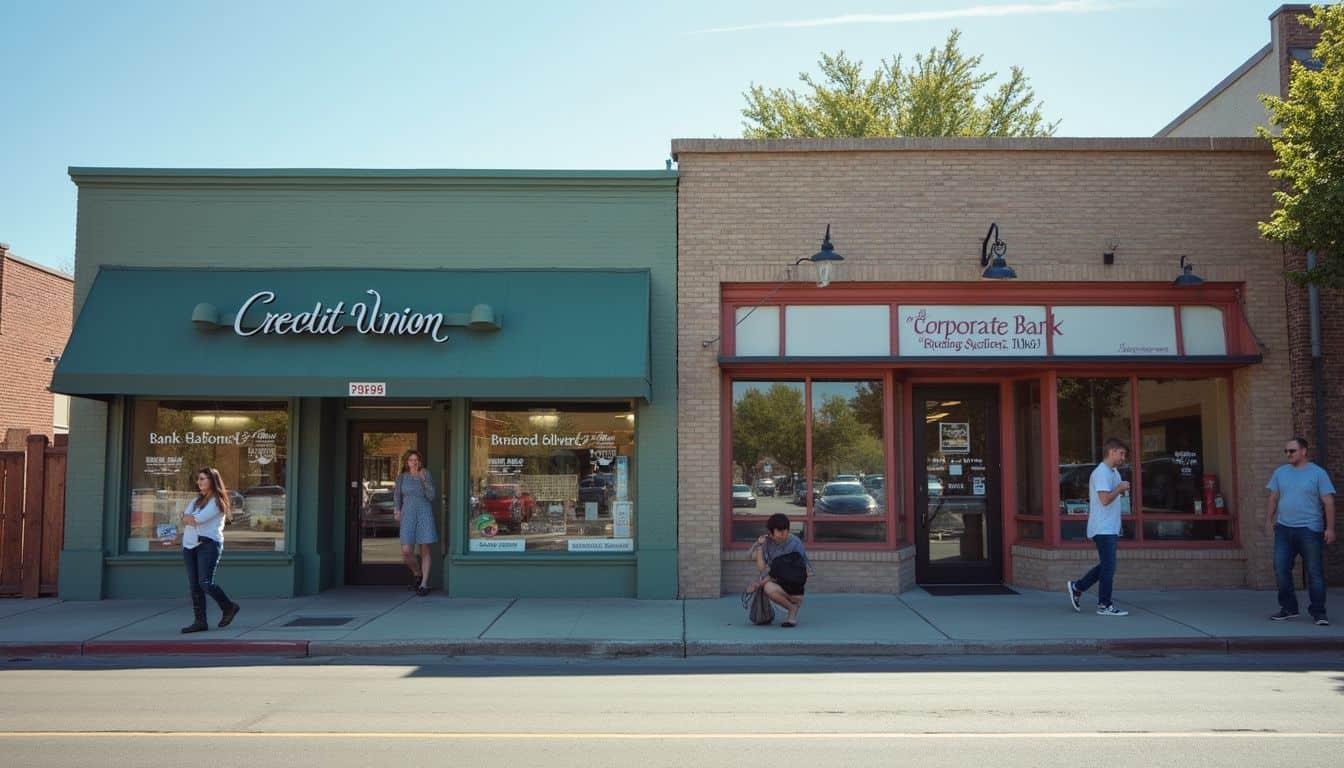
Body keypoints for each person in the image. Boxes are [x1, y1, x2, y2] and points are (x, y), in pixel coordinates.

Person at [1266, 436, 1336, 626]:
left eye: (1292, 451)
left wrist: (1329, 528)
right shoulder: (1280, 472)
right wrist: (1268, 520)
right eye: (1286, 451)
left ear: (1304, 451)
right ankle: (1289, 608)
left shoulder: (1318, 473)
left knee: (1314, 572)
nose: (1288, 454)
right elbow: (1273, 497)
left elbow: (1328, 502)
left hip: (1310, 529)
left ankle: (1319, 612)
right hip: (1284, 528)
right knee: (1280, 569)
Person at [1066, 438, 1131, 617]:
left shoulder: (1114, 472)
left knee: (1106, 566)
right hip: (1102, 528)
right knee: (1109, 567)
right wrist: (1120, 488)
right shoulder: (1101, 473)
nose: (1123, 457)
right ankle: (1104, 605)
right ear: (1111, 452)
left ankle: (1077, 586)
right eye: (1121, 453)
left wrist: (1120, 488)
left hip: (1110, 527)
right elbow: (1104, 500)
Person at [177, 467, 241, 634]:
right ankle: (200, 621)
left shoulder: (217, 502)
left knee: (205, 582)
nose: (199, 482)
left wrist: (187, 518)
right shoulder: (196, 500)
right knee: (194, 586)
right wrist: (186, 518)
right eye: (198, 479)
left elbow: (196, 519)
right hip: (189, 546)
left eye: (203, 479)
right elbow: (184, 517)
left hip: (208, 545)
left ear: (212, 480)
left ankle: (228, 607)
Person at [748, 513, 813, 627]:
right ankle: (791, 608)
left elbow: (804, 569)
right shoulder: (766, 541)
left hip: (793, 583)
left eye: (785, 530)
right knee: (767, 586)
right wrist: (758, 545)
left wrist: (758, 584)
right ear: (771, 531)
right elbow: (752, 558)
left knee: (766, 585)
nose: (783, 534)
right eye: (779, 531)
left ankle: (793, 606)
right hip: (774, 578)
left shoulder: (794, 543)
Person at [395, 449, 437, 596]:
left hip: (424, 513)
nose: (414, 462)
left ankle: (424, 583)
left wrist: (423, 480)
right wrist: (397, 510)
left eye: (416, 460)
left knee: (425, 549)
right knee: (406, 551)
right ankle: (417, 573)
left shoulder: (425, 474)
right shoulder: (401, 477)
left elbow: (432, 496)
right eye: (411, 460)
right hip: (408, 514)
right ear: (406, 462)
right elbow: (397, 496)